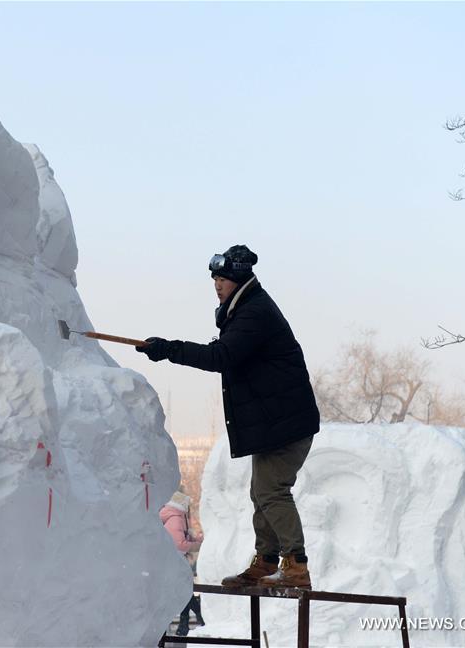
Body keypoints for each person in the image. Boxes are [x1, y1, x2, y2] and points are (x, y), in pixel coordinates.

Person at [139, 245, 319, 589]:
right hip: (276, 424)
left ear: (239, 280)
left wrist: (169, 349)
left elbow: (222, 356)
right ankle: (266, 560)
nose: (217, 285)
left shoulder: (255, 313)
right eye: (215, 279)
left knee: (272, 491)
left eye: (222, 279)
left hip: (287, 424)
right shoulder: (244, 309)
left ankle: (296, 567)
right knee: (261, 491)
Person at [160, 491, 205, 636]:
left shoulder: (172, 516)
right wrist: (195, 546)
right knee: (184, 592)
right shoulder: (176, 518)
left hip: (171, 562)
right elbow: (179, 544)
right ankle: (198, 618)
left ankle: (185, 624)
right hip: (174, 563)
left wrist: (196, 541)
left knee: (184, 591)